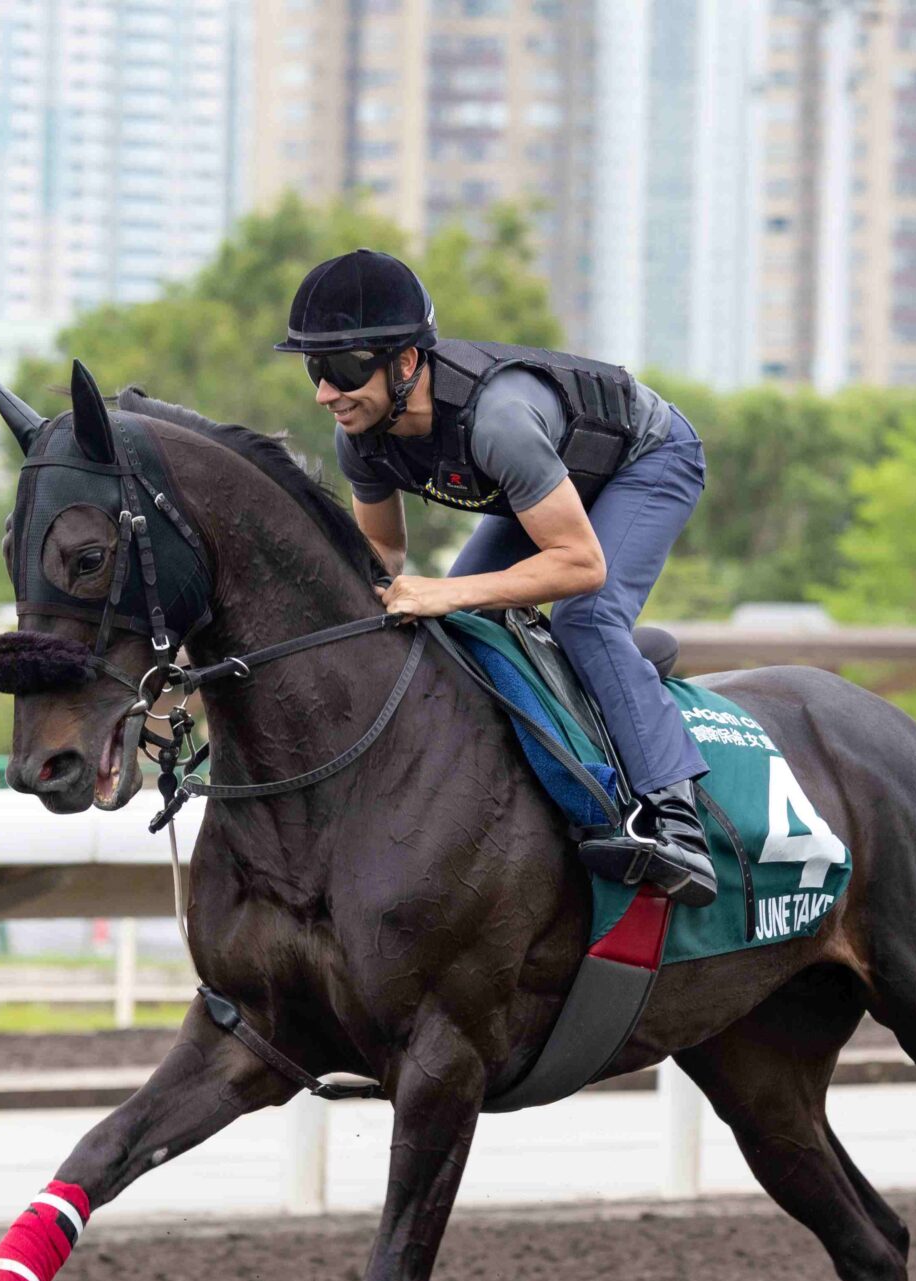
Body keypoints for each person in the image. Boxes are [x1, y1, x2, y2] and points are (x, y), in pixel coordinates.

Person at [275, 248, 717, 907]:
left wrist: (445, 592)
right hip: (550, 479)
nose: (324, 393)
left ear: (405, 362)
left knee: (585, 616)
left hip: (645, 458)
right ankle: (615, 677)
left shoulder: (498, 420)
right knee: (465, 625)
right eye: (316, 368)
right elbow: (384, 556)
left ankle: (677, 818)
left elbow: (581, 564)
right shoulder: (360, 434)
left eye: (342, 369)